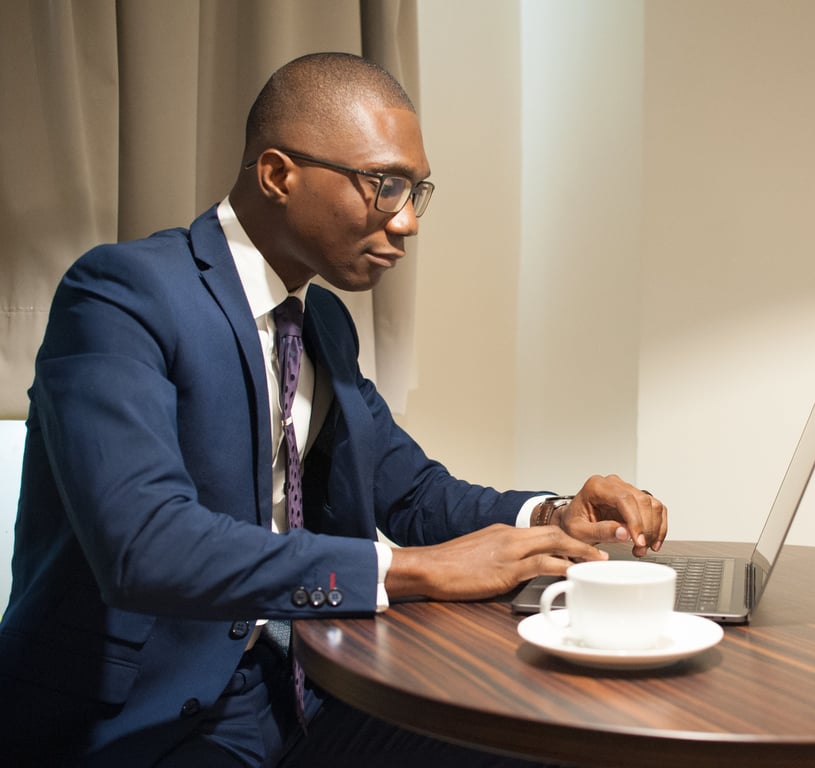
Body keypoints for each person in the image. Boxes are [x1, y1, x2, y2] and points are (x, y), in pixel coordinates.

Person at [0, 52, 667, 767]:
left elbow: (410, 491)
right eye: (384, 186)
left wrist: (550, 517)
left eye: (417, 191)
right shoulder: (121, 295)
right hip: (145, 723)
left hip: (308, 686)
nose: (407, 221)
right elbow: (148, 546)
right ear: (278, 174)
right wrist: (407, 570)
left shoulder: (319, 323)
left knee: (561, 743)